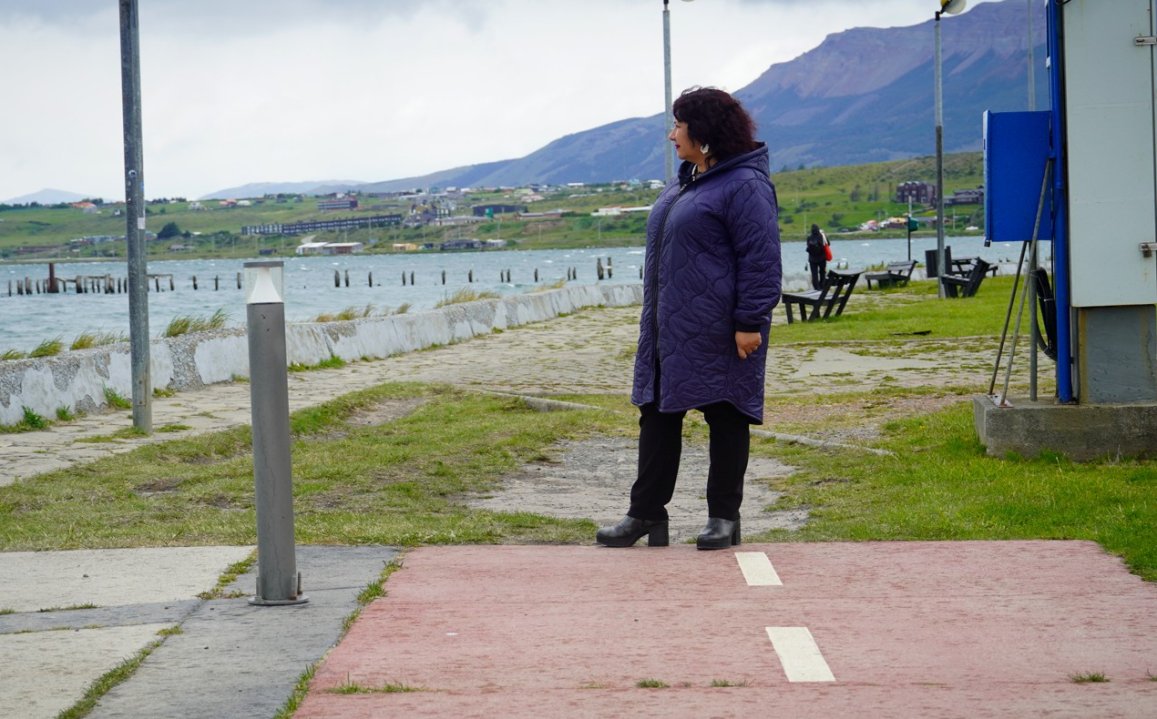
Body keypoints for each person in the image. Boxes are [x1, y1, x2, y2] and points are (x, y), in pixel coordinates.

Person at [595, 87, 781, 551]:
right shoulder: (685, 184)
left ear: (704, 131)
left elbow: (761, 259)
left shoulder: (745, 185)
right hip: (669, 329)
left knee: (726, 414)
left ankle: (724, 517)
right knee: (657, 415)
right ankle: (645, 514)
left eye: (678, 125)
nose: (671, 135)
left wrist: (749, 321)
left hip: (722, 328)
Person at [805, 223, 829, 290]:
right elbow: (828, 244)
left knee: (814, 274)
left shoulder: (809, 237)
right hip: (822, 258)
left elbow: (808, 247)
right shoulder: (822, 236)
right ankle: (822, 286)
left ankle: (816, 287)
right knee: (822, 273)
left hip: (812, 259)